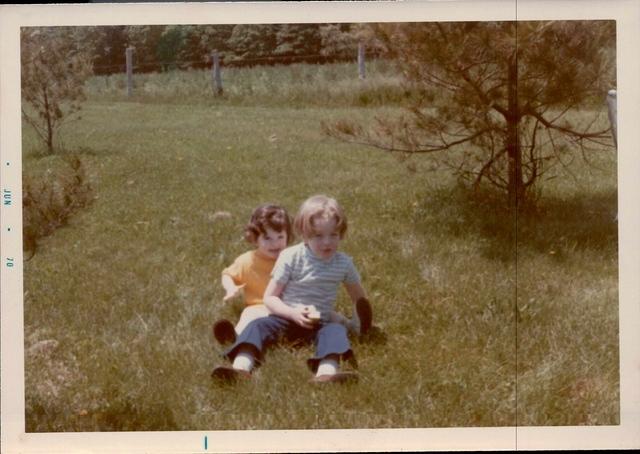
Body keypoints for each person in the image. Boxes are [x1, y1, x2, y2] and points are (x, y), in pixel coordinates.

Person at [212, 195, 372, 384]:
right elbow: (270, 298)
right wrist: (292, 313)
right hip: (285, 319)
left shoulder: (344, 264)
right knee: (256, 325)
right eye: (318, 236)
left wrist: (358, 321)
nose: (327, 242)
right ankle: (240, 368)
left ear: (341, 234)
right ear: (304, 234)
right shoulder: (290, 256)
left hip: (319, 323)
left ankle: (326, 373)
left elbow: (359, 299)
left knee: (336, 331)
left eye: (333, 235)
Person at [212, 204, 292, 345]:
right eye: (267, 238)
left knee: (325, 314)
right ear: (255, 239)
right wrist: (231, 288)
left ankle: (344, 324)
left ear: (288, 236)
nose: (275, 244)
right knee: (249, 314)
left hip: (289, 307)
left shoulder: (293, 258)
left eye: (280, 237)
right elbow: (227, 274)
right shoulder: (247, 261)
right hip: (261, 307)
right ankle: (235, 337)